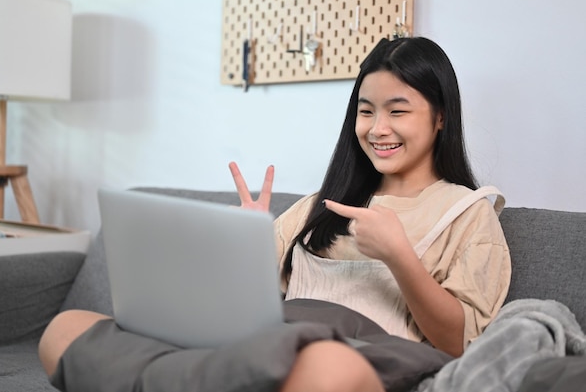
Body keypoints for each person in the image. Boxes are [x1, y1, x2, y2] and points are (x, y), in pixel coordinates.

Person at [38, 36, 511, 392]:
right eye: (366, 112)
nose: (377, 128)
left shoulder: (468, 213)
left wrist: (399, 256)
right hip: (268, 347)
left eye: (398, 110)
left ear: (441, 116)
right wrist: (247, 244)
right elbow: (248, 311)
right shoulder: (315, 206)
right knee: (66, 328)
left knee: (329, 367)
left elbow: (459, 345)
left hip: (367, 357)